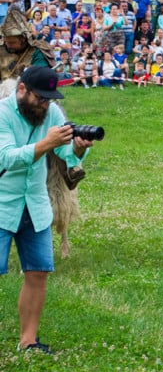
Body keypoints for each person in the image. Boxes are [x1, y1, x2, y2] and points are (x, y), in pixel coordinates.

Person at [0, 66, 95, 353]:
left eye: (49, 100)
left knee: (38, 272)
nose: (45, 105)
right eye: (40, 98)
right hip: (3, 206)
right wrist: (46, 143)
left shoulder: (51, 111)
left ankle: (29, 341)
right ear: (21, 91)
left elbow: (64, 154)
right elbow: (6, 157)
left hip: (36, 205)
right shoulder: (2, 113)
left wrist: (78, 149)